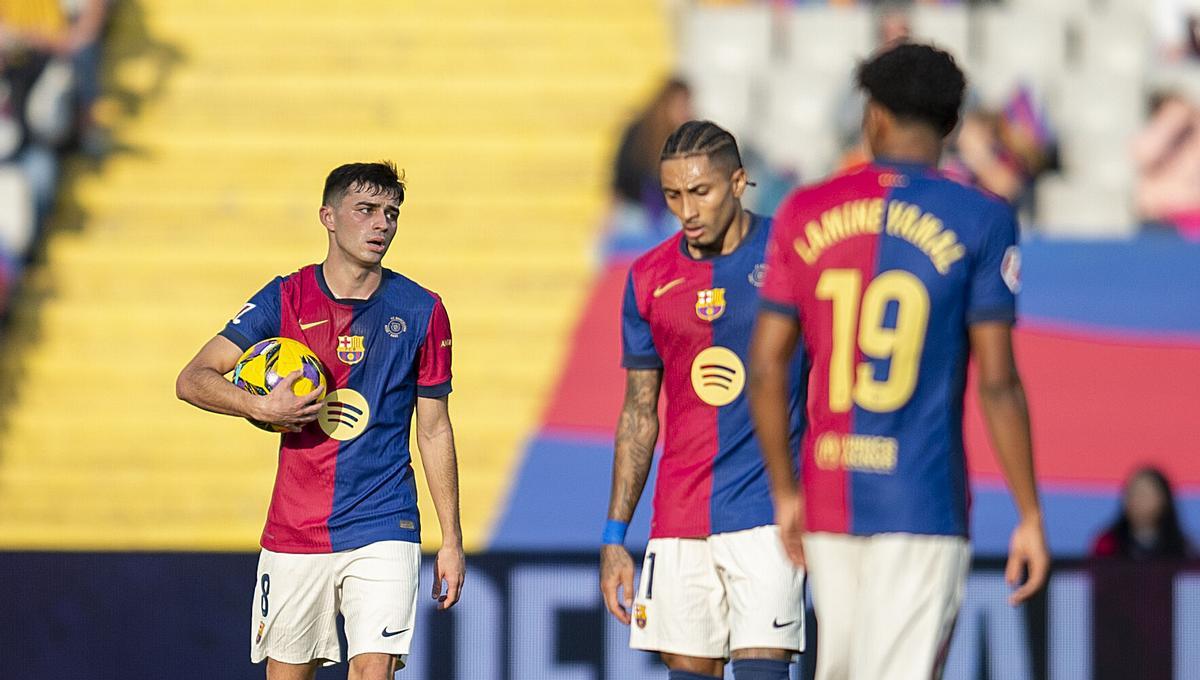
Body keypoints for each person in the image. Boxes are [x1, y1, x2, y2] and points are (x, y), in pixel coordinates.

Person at [749, 43, 1049, 680]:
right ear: (951, 126)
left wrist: (785, 489)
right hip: (923, 497)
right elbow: (998, 384)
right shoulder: (984, 218)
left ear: (875, 117)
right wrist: (1028, 512)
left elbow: (769, 365)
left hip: (827, 490)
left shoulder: (805, 209)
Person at [175, 162, 464, 680]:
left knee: (374, 670)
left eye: (392, 213)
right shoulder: (284, 297)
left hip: (385, 518)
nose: (382, 225)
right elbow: (192, 378)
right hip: (295, 526)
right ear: (328, 217)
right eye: (367, 210)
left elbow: (434, 428)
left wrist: (452, 539)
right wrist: (259, 406)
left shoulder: (422, 309)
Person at [600, 120, 808, 680]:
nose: (687, 209)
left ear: (739, 182)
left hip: (768, 517)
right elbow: (639, 414)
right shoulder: (649, 277)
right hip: (678, 518)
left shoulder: (793, 257)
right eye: (673, 195)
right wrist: (615, 535)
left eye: (701, 192)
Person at [1092, 466, 1193, 559]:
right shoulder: (1107, 544)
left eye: (1144, 494)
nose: (1136, 501)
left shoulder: (1183, 548)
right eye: (1132, 494)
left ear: (1163, 500)